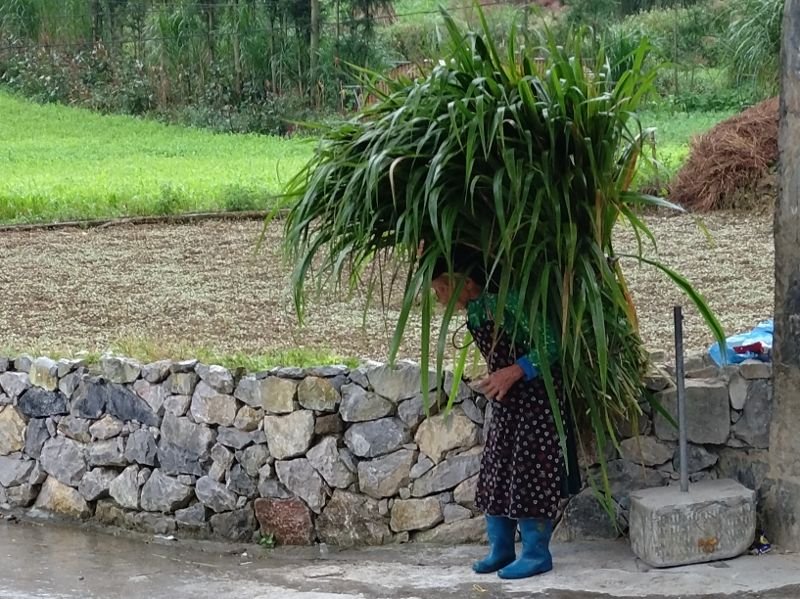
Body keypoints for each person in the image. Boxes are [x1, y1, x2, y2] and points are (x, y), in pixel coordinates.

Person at [430, 249, 580, 580]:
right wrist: (495, 377)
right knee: (496, 469)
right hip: (507, 402)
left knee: (531, 472)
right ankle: (501, 550)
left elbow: (552, 345)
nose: (439, 300)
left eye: (440, 289)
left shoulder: (508, 302)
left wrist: (512, 372)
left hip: (539, 400)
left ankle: (537, 553)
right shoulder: (476, 310)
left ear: (465, 283)